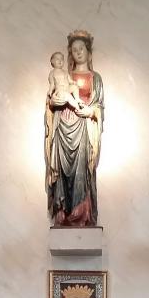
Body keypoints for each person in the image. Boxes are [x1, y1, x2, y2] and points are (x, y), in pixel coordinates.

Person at [45, 30, 104, 226]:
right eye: (74, 49)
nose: (78, 52)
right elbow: (51, 99)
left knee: (81, 172)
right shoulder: (63, 75)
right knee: (64, 172)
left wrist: (90, 111)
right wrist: (52, 102)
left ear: (88, 52)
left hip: (84, 129)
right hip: (63, 127)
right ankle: (63, 214)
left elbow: (99, 106)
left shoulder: (95, 78)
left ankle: (82, 214)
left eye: (81, 49)